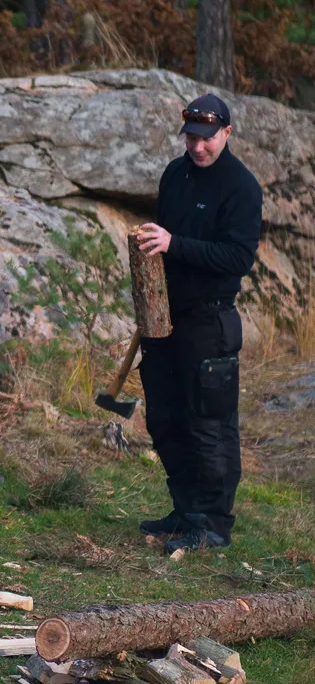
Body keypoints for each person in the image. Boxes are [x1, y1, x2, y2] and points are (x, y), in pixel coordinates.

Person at [136, 93, 262, 555]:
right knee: (165, 417)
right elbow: (162, 239)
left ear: (226, 133)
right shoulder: (174, 174)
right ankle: (186, 509)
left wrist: (175, 245)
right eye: (191, 137)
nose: (198, 147)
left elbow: (237, 257)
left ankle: (213, 524)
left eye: (207, 139)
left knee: (210, 424)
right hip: (165, 319)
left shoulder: (241, 186)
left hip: (211, 320)